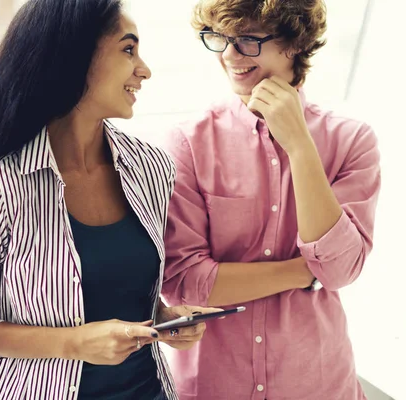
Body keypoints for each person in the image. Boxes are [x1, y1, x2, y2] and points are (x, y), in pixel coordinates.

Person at [0, 1, 218, 399]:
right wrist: (74, 343)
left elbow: (123, 296)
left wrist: (164, 320)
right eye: (128, 49)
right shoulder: (0, 188)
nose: (145, 69)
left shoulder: (151, 167)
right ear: (74, 56)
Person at [161, 0, 382, 399]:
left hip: (315, 381)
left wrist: (299, 145)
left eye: (247, 39)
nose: (229, 55)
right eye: (220, 39)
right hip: (213, 386)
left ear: (295, 43)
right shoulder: (189, 143)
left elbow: (341, 269)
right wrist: (304, 272)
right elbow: (184, 282)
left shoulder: (352, 141)